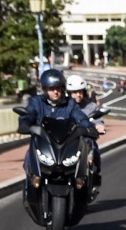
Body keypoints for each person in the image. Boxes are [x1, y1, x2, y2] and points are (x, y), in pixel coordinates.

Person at [16, 69, 99, 206]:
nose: (56, 92)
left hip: (65, 145)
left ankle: (81, 190)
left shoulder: (69, 104)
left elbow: (80, 117)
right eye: (51, 88)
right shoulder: (36, 102)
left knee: (81, 159)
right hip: (43, 144)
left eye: (58, 88)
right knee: (28, 160)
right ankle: (28, 189)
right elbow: (28, 114)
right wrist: (24, 123)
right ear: (44, 89)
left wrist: (89, 127)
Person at [66, 74, 106, 196]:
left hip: (86, 140)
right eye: (74, 92)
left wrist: (99, 126)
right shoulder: (63, 107)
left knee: (95, 150)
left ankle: (94, 179)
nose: (78, 95)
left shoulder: (91, 106)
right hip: (68, 142)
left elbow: (98, 120)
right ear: (68, 93)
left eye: (80, 92)